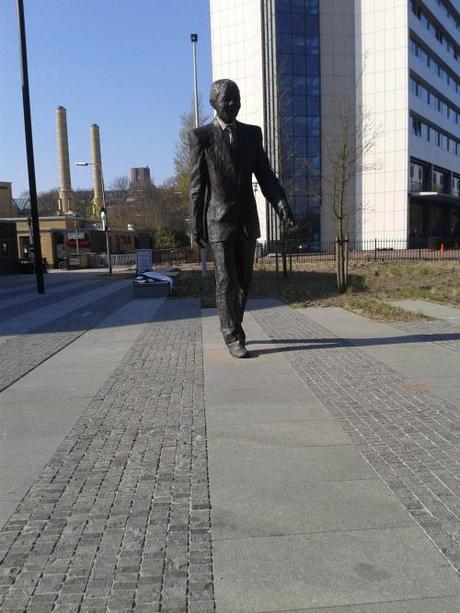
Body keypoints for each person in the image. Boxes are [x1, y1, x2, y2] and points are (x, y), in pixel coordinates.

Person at [189, 79, 294, 358]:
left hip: (246, 219)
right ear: (214, 104)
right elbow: (197, 186)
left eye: (237, 99)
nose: (233, 104)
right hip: (218, 221)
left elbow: (266, 175)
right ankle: (233, 335)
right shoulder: (202, 137)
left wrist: (281, 205)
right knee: (226, 280)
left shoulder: (252, 134)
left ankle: (234, 323)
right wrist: (195, 224)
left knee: (244, 281)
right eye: (227, 100)